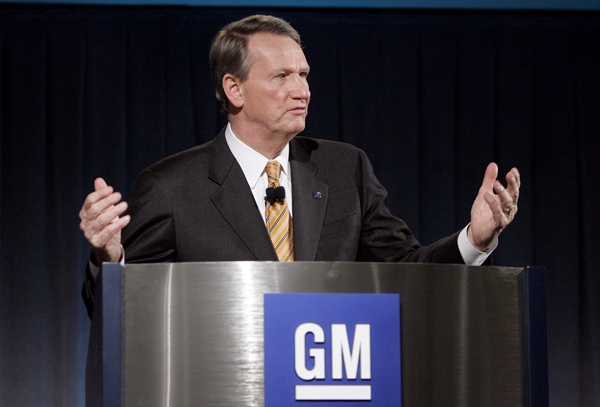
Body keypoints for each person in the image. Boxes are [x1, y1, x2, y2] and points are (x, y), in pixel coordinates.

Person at [79, 15, 520, 317]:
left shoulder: (345, 169)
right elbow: (118, 311)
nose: (301, 90)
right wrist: (110, 257)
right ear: (234, 88)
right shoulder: (173, 186)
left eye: (304, 75)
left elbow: (406, 269)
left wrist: (473, 240)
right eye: (281, 77)